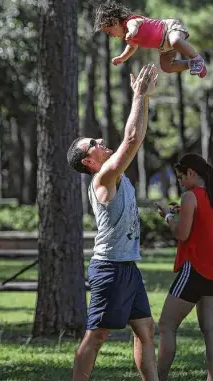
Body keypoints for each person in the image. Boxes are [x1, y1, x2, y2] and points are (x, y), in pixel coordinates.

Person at [66, 64, 159, 381]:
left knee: (145, 329)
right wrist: (138, 97)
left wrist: (143, 99)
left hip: (128, 266)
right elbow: (131, 138)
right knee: (97, 335)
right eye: (93, 143)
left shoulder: (114, 173)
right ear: (89, 162)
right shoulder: (103, 177)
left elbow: (137, 138)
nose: (101, 140)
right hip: (110, 268)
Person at [155, 153, 213, 381]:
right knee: (210, 328)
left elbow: (182, 234)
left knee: (166, 325)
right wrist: (183, 211)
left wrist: (168, 217)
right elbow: (206, 221)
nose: (180, 182)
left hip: (196, 270)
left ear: (191, 173)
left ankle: (158, 378)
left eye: (181, 178)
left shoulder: (190, 196)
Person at [93, 0, 207, 78]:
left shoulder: (129, 21)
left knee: (175, 41)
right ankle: (191, 64)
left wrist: (131, 32)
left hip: (168, 29)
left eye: (109, 31)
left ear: (115, 22)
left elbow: (134, 26)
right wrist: (122, 57)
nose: (110, 35)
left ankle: (196, 58)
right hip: (163, 46)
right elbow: (132, 47)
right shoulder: (128, 37)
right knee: (166, 67)